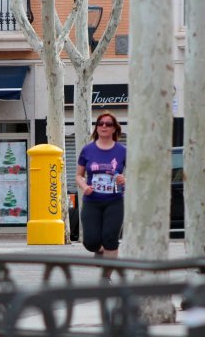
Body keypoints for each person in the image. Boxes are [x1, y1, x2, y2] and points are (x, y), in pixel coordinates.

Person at [76, 112, 126, 282]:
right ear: (96, 127)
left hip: (114, 201)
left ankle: (106, 278)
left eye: (108, 124)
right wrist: (84, 187)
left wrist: (124, 179)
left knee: (111, 239)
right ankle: (99, 249)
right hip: (92, 201)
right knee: (90, 242)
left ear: (114, 129)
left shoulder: (122, 151)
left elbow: (134, 173)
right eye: (100, 123)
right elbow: (78, 176)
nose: (104, 126)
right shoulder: (87, 149)